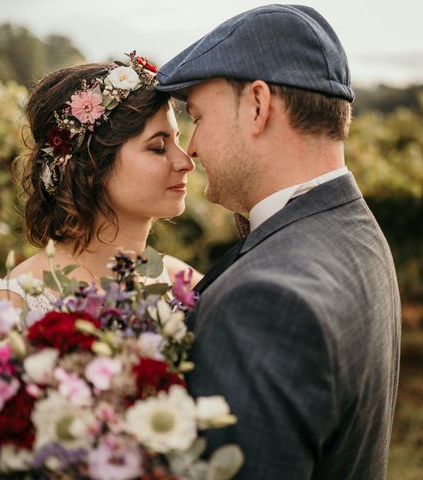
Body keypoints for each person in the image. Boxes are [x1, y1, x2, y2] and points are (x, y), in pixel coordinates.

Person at [156, 5, 401, 479]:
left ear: (257, 105)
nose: (192, 148)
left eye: (199, 117)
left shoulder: (263, 303)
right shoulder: (357, 229)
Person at [0, 52, 201, 313]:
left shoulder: (181, 286)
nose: (186, 162)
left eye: (178, 140)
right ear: (92, 164)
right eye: (159, 147)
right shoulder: (12, 305)